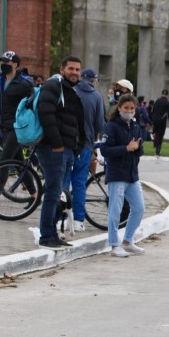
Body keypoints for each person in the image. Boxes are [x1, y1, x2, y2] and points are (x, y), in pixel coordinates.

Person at [35, 55, 86, 250]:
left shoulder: (70, 91)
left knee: (58, 194)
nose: (74, 73)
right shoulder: (53, 86)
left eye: (77, 69)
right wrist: (57, 144)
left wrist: (77, 147)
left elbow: (76, 121)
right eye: (71, 69)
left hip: (67, 150)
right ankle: (46, 236)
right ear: (62, 69)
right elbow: (45, 114)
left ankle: (53, 234)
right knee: (53, 193)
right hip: (53, 149)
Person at [99, 94, 146, 257]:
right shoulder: (111, 126)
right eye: (126, 108)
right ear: (119, 108)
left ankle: (128, 240)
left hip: (132, 175)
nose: (129, 111)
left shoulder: (135, 125)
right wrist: (126, 148)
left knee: (139, 208)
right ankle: (114, 244)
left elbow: (139, 148)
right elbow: (105, 150)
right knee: (115, 211)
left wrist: (137, 148)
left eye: (132, 108)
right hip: (117, 174)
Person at [0, 50, 34, 210]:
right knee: (20, 163)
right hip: (3, 126)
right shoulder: (0, 80)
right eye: (2, 62)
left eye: (7, 62)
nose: (4, 65)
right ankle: (34, 195)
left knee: (4, 160)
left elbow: (33, 103)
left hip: (17, 127)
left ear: (15, 64)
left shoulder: (24, 84)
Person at [70, 68, 106, 232]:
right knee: (79, 183)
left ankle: (61, 218)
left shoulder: (70, 90)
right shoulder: (96, 96)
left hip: (67, 143)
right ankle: (78, 220)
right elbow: (100, 124)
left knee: (63, 181)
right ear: (94, 81)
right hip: (85, 145)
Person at [151, 89, 169, 159]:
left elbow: (153, 111)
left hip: (155, 120)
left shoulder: (157, 101)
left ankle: (155, 145)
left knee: (156, 134)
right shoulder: (167, 102)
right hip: (162, 121)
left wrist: (153, 119)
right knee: (160, 136)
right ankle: (158, 151)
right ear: (167, 95)